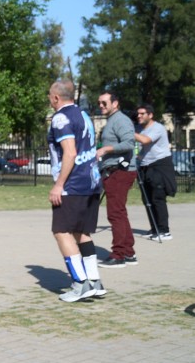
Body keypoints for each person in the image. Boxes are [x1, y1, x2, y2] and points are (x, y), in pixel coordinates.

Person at [47, 80, 105, 303]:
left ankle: (80, 284)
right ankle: (94, 281)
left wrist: (59, 184)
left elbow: (69, 153)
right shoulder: (84, 115)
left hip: (73, 185)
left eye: (50, 97)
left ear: (56, 98)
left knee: (61, 231)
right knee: (82, 233)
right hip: (91, 182)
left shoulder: (61, 118)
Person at [96, 91, 138, 267]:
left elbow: (129, 143)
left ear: (115, 103)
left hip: (120, 171)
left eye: (104, 103)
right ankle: (128, 252)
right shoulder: (112, 121)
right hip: (113, 171)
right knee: (119, 212)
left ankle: (118, 255)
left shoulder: (120, 120)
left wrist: (106, 149)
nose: (101, 106)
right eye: (99, 103)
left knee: (115, 213)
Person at [134, 104, 176, 242]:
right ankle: (154, 228)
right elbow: (140, 146)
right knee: (147, 199)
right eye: (138, 114)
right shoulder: (139, 128)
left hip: (159, 165)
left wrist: (127, 132)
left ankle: (164, 230)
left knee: (158, 198)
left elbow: (145, 140)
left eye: (142, 113)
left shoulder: (157, 128)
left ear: (150, 115)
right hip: (145, 166)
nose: (139, 116)